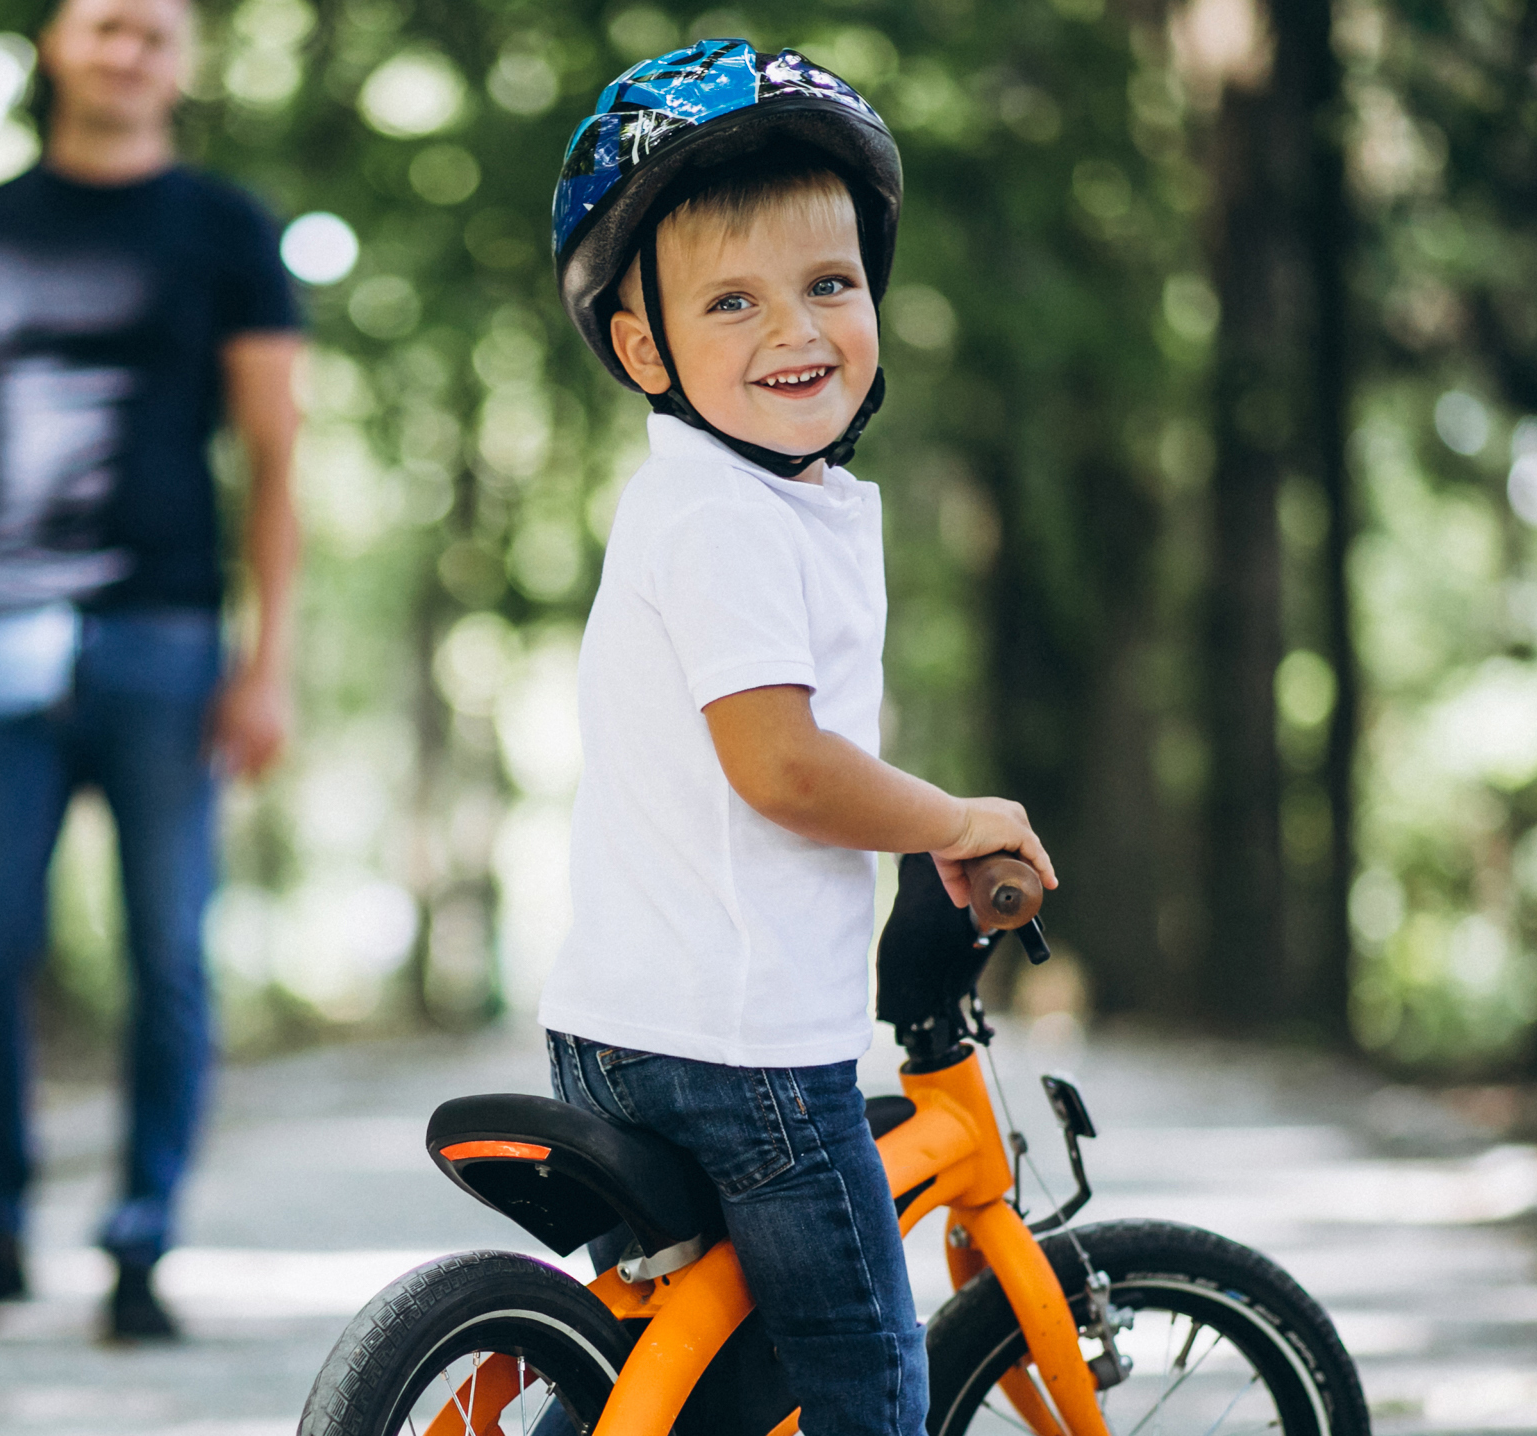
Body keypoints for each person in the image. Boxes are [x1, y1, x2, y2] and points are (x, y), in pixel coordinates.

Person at [538, 40, 1058, 1436]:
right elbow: (780, 770)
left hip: (627, 1028)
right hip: (749, 1058)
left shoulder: (726, 502)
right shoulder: (728, 515)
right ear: (642, 345)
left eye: (829, 284)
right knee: (866, 1380)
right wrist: (956, 821)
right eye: (733, 302)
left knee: (714, 1385)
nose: (797, 332)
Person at [0, 0, 301, 1343]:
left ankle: (139, 1243)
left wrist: (267, 660)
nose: (130, 49)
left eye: (157, 33)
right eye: (107, 25)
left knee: (170, 959)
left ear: (183, 63)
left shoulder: (228, 229)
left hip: (170, 642)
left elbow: (275, 456)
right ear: (58, 43)